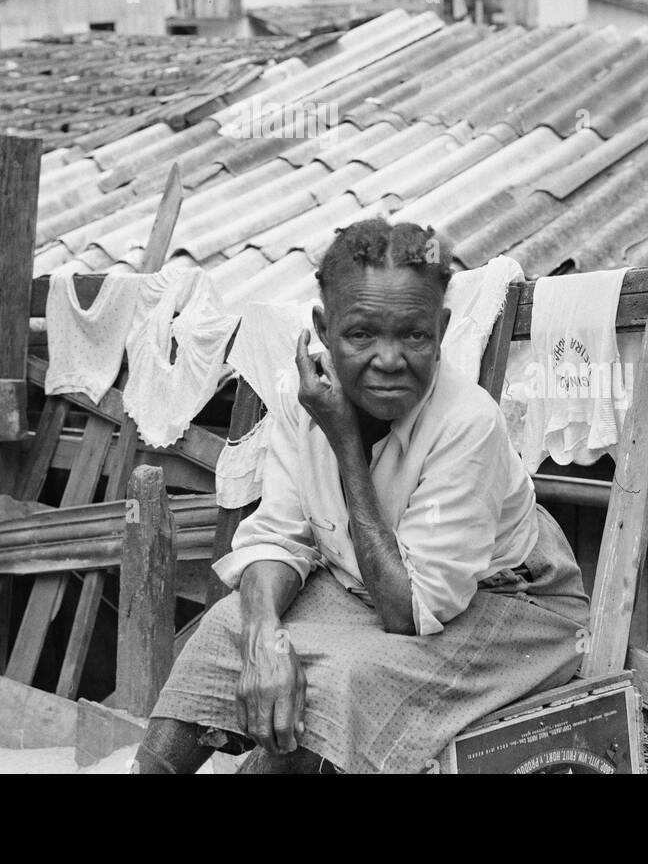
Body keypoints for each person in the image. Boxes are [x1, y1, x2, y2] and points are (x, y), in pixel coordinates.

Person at [135, 218, 588, 775]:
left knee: (340, 681)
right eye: (361, 335)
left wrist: (345, 443)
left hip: (508, 605)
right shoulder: (303, 399)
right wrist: (263, 637)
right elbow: (278, 537)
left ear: (441, 329)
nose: (390, 360)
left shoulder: (468, 422)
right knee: (224, 634)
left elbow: (409, 610)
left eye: (414, 335)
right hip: (365, 587)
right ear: (323, 330)